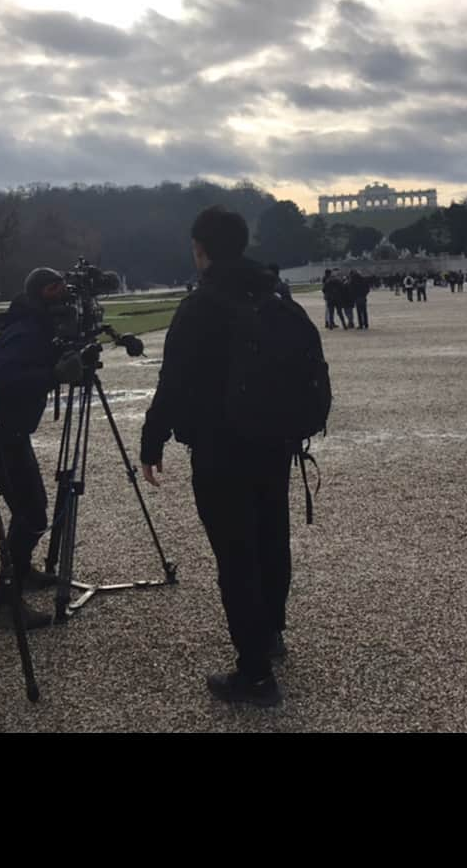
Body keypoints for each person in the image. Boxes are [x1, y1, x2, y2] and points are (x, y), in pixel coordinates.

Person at [140, 206, 296, 708]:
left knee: (236, 556)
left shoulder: (200, 304)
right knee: (272, 538)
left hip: (221, 446)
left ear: (201, 249)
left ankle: (253, 675)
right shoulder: (274, 291)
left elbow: (173, 381)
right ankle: (269, 634)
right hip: (273, 440)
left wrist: (152, 439)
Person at [0, 267, 86, 632]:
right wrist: (56, 374)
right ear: (40, 294)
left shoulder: (36, 325)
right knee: (32, 513)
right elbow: (7, 381)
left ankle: (21, 573)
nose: (63, 297)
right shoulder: (25, 332)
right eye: (55, 290)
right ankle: (4, 602)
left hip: (10, 432)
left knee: (31, 508)